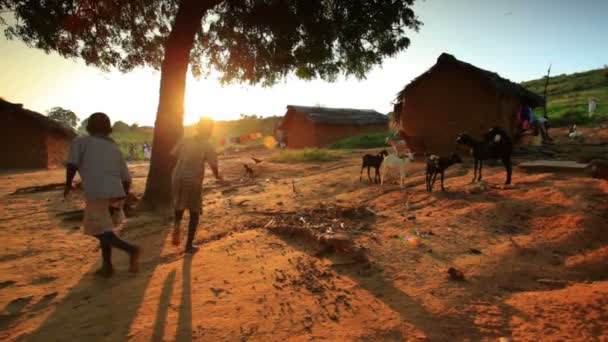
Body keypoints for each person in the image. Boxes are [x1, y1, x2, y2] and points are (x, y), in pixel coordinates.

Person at [65, 112, 141, 278]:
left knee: (97, 230)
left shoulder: (81, 142)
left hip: (97, 192)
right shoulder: (114, 147)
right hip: (116, 192)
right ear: (108, 130)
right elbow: (126, 178)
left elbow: (72, 165)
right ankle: (107, 267)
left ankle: (131, 249)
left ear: (89, 127)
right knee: (105, 228)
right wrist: (123, 197)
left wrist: (67, 184)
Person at [171, 118, 223, 253]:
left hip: (177, 177)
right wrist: (218, 177)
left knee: (179, 204)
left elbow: (173, 154)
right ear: (209, 130)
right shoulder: (208, 145)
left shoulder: (186, 140)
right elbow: (214, 165)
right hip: (193, 180)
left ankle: (177, 225)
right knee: (194, 212)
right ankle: (189, 245)